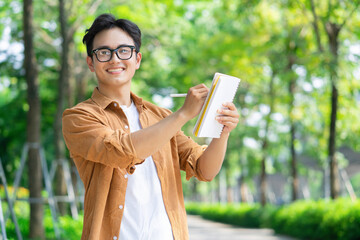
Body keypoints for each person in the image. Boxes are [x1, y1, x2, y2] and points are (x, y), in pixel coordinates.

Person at [62, 13, 239, 240]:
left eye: (124, 51)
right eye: (104, 52)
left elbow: (205, 169)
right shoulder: (79, 117)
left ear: (137, 59)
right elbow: (123, 151)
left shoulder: (160, 117)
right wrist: (183, 114)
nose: (115, 59)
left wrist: (222, 132)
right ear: (91, 62)